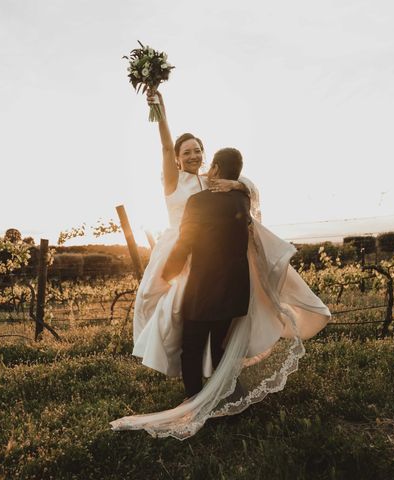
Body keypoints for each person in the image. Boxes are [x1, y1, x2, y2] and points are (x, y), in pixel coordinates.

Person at [110, 89, 331, 440]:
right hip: (182, 259)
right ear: (178, 160)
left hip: (212, 263)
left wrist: (235, 187)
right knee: (177, 323)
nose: (194, 155)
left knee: (215, 326)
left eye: (198, 149)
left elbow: (249, 198)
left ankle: (214, 385)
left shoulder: (217, 183)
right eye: (187, 152)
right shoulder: (175, 181)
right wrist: (160, 111)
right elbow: (166, 149)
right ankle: (198, 389)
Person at [162, 147, 251, 398]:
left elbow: (185, 241)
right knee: (219, 346)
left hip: (203, 288)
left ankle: (195, 400)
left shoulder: (197, 201)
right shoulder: (242, 199)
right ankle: (226, 395)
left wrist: (168, 273)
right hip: (235, 288)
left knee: (191, 347)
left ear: (216, 169)